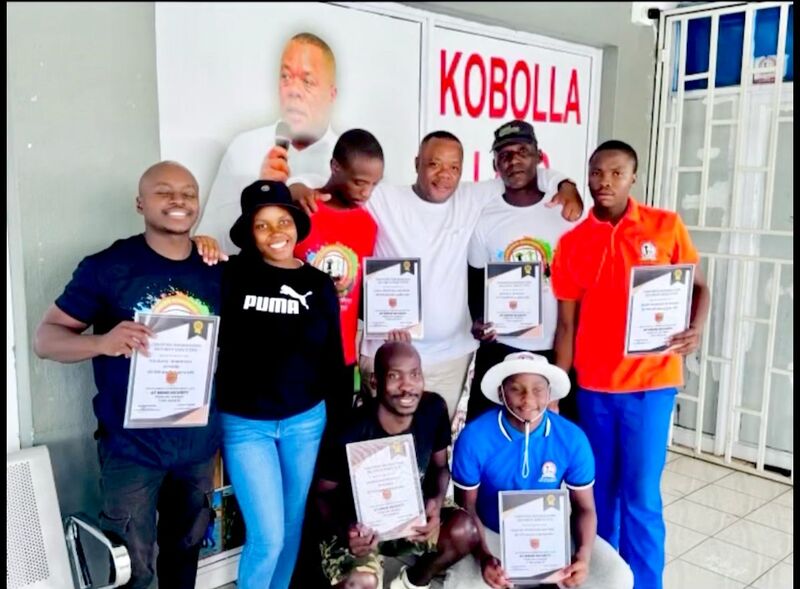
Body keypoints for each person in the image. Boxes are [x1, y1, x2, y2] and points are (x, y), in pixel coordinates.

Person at [289, 130, 584, 422]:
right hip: (388, 352)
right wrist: (297, 185)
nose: (445, 174)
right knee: (383, 444)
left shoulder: (470, 197)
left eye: (454, 167)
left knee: (435, 442)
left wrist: (563, 184)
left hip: (449, 359)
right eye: (434, 164)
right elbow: (338, 178)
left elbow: (521, 174)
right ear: (417, 163)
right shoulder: (381, 196)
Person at [33, 161, 222, 589]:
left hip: (196, 444)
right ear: (140, 203)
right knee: (132, 569)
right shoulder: (108, 267)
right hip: (132, 448)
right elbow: (45, 339)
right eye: (164, 191)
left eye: (188, 193)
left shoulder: (215, 268)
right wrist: (101, 342)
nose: (178, 200)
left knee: (185, 555)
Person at [551, 140, 710, 589]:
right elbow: (566, 325)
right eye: (597, 173)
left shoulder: (665, 226)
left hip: (651, 386)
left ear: (633, 177)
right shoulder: (572, 243)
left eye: (616, 173)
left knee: (640, 495)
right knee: (599, 495)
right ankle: (607, 580)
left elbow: (699, 286)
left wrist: (696, 328)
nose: (605, 182)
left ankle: (646, 583)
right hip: (595, 388)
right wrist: (558, 390)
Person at [215, 179, 350, 589]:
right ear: (249, 233)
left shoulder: (319, 284)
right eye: (262, 225)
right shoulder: (229, 275)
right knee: (268, 536)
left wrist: (338, 428)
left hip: (305, 422)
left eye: (283, 221)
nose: (276, 232)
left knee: (291, 528)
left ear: (296, 225)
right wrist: (200, 243)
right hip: (245, 425)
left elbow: (333, 359)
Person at [448, 352, 634, 589]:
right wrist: (484, 557)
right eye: (516, 389)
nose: (528, 399)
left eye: (538, 389)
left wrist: (583, 556)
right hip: (491, 537)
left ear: (549, 394)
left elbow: (585, 508)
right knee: (463, 585)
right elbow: (467, 508)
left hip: (552, 537)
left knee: (617, 577)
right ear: (501, 393)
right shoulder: (474, 437)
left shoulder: (572, 438)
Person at [314, 341, 481, 589]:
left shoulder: (433, 410)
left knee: (464, 531)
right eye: (394, 376)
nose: (407, 386)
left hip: (411, 518)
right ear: (375, 382)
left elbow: (440, 468)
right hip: (361, 528)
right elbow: (322, 495)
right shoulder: (349, 429)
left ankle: (411, 583)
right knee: (361, 583)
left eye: (414, 374)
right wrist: (347, 530)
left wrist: (435, 503)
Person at [466, 120, 580, 423]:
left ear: (539, 156)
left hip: (557, 348)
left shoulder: (565, 212)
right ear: (495, 164)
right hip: (501, 346)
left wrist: (565, 184)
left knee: (554, 436)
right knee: (486, 431)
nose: (513, 160)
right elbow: (475, 280)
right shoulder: (485, 217)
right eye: (504, 155)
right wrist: (478, 320)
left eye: (522, 152)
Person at [197, 32, 339, 253]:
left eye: (307, 81)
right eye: (285, 76)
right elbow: (211, 243)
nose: (293, 91)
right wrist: (260, 196)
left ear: (331, 94)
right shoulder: (244, 148)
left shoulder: (349, 166)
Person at [294, 128, 384, 420]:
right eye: (359, 182)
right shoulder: (300, 211)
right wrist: (292, 190)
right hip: (295, 355)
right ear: (335, 166)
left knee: (335, 441)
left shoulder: (368, 225)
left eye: (374, 184)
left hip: (342, 359)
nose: (366, 192)